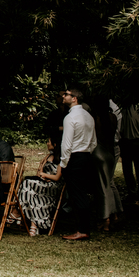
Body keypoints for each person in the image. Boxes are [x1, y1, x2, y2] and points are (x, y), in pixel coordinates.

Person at [58, 89, 98, 241]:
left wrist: (63, 163)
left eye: (66, 94)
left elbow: (66, 144)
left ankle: (82, 229)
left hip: (74, 157)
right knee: (83, 193)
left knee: (77, 194)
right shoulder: (88, 116)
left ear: (74, 99)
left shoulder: (70, 118)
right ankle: (84, 228)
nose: (63, 96)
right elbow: (94, 141)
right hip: (86, 156)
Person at [90, 97, 124, 230]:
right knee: (109, 183)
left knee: (102, 186)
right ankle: (114, 213)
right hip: (111, 151)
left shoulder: (96, 119)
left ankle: (105, 218)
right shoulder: (112, 117)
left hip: (99, 151)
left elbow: (96, 137)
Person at [17, 139, 63, 236]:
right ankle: (34, 225)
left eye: (49, 141)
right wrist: (42, 176)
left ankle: (17, 211)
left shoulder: (61, 158)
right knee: (29, 193)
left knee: (26, 183)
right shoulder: (48, 156)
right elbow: (39, 172)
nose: (47, 143)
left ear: (55, 144)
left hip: (54, 186)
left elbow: (57, 177)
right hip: (42, 183)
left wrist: (46, 176)